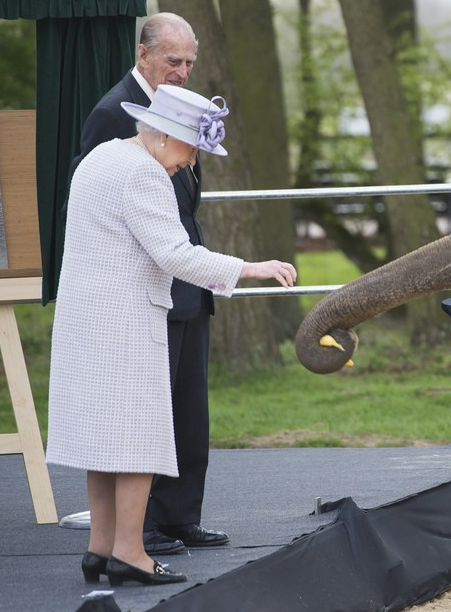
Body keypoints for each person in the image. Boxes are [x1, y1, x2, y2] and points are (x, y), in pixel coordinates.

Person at [46, 84, 297, 586]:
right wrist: (251, 267)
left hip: (85, 318)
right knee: (138, 438)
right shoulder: (143, 173)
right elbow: (176, 255)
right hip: (126, 320)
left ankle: (100, 548)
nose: (191, 162)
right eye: (191, 149)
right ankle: (130, 553)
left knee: (103, 438)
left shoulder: (100, 158)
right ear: (162, 134)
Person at [69, 13, 226, 555]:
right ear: (142, 56)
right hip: (142, 283)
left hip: (186, 278)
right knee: (144, 413)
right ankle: (144, 529)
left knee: (188, 411)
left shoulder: (181, 110)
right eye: (172, 61)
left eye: (189, 63)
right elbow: (93, 196)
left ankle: (181, 515)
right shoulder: (115, 112)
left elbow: (184, 195)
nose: (182, 72)